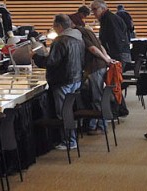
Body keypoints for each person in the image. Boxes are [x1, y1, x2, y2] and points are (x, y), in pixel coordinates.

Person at [34, 14, 84, 150]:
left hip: (62, 81)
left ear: (59, 26)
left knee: (62, 112)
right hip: (76, 78)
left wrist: (36, 58)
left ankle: (69, 140)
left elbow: (51, 62)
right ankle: (71, 138)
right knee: (69, 110)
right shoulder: (78, 38)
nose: (54, 29)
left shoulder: (60, 40)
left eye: (54, 26)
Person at [74, 25, 113, 135]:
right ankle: (94, 124)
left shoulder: (80, 34)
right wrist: (106, 58)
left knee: (97, 98)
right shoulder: (89, 32)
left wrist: (105, 58)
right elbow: (100, 47)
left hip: (94, 68)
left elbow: (93, 49)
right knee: (97, 96)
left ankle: (101, 126)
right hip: (100, 67)